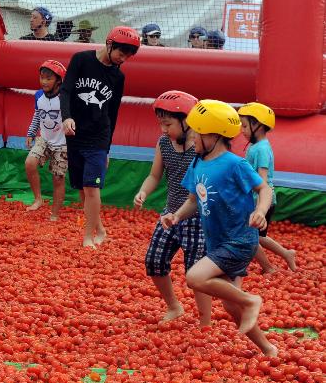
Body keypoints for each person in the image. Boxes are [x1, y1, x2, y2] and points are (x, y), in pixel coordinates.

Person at [162, 99, 277, 357]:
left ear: (213, 134)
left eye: (197, 133)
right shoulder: (198, 163)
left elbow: (264, 188)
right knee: (231, 307)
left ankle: (251, 300)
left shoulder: (235, 164)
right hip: (218, 243)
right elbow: (193, 199)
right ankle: (269, 349)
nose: (192, 137)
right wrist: (176, 216)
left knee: (195, 277)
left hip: (238, 240)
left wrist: (260, 211)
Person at [134, 91, 211, 325]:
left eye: (168, 124)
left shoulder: (201, 146)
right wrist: (143, 191)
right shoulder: (163, 143)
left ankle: (205, 321)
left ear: (187, 121)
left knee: (195, 273)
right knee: (154, 261)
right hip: (170, 214)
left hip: (197, 218)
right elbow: (154, 175)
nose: (163, 129)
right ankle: (174, 306)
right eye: (160, 124)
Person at [61, 26, 140, 248]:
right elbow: (66, 90)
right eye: (121, 53)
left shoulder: (118, 76)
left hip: (98, 136)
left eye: (127, 56)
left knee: (92, 187)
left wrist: (106, 149)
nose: (122, 59)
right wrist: (66, 118)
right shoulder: (81, 60)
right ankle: (101, 230)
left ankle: (88, 237)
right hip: (75, 133)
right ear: (109, 44)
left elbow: (112, 113)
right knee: (82, 189)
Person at [238, 102, 297, 273]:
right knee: (258, 237)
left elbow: (262, 180)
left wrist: (258, 208)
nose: (242, 130)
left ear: (257, 125)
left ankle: (268, 267)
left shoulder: (261, 149)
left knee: (249, 238)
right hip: (257, 199)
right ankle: (286, 253)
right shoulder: (255, 146)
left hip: (261, 200)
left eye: (244, 125)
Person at [25, 60, 68, 219]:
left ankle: (55, 214)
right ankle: (38, 199)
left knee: (58, 178)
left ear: (58, 80)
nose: (44, 81)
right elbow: (37, 115)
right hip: (44, 139)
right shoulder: (38, 96)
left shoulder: (65, 97)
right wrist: (31, 133)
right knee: (30, 163)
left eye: (48, 78)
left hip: (62, 144)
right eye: (42, 77)